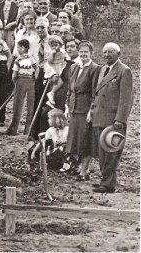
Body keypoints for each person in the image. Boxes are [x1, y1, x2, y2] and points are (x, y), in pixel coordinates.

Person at [89, 42, 133, 193]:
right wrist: (91, 112)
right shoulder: (102, 70)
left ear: (118, 54)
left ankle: (108, 184)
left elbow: (126, 99)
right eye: (105, 52)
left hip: (113, 119)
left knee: (111, 152)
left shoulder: (124, 71)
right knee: (102, 152)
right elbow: (96, 94)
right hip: (99, 117)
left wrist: (120, 120)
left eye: (111, 52)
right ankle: (105, 179)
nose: (107, 55)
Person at [64, 41, 99, 180]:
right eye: (81, 52)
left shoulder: (95, 69)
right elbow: (69, 89)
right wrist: (67, 107)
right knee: (74, 140)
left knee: (85, 140)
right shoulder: (73, 67)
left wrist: (91, 111)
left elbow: (94, 92)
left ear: (91, 54)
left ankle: (85, 170)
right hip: (73, 108)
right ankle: (76, 167)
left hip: (85, 110)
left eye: (86, 52)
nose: (83, 54)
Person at [7, 39, 37, 135]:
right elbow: (37, 69)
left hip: (20, 80)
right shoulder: (32, 59)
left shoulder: (18, 60)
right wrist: (34, 78)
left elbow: (14, 75)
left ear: (23, 48)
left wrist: (15, 82)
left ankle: (14, 128)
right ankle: (27, 129)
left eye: (18, 47)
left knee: (18, 105)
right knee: (30, 105)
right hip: (31, 81)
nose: (17, 49)